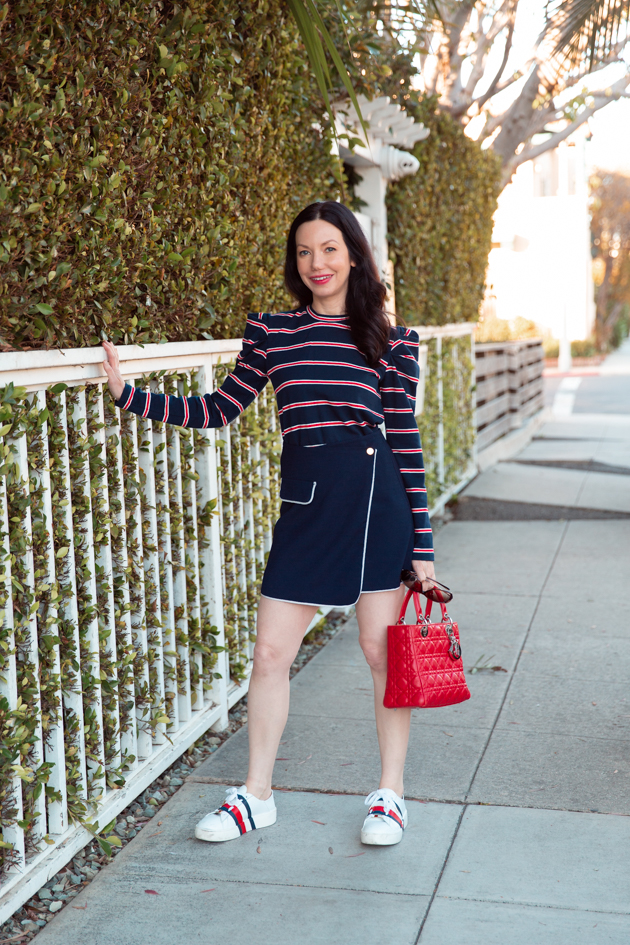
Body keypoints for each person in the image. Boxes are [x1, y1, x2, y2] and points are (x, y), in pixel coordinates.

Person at [103, 200, 436, 847]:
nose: (318, 262)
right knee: (270, 653)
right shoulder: (273, 333)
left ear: (354, 256)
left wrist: (422, 545)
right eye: (305, 251)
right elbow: (220, 407)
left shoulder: (390, 339)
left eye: (331, 249)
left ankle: (390, 794)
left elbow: (406, 440)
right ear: (296, 260)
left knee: (379, 653)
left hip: (377, 505)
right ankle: (256, 796)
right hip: (308, 510)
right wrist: (130, 395)